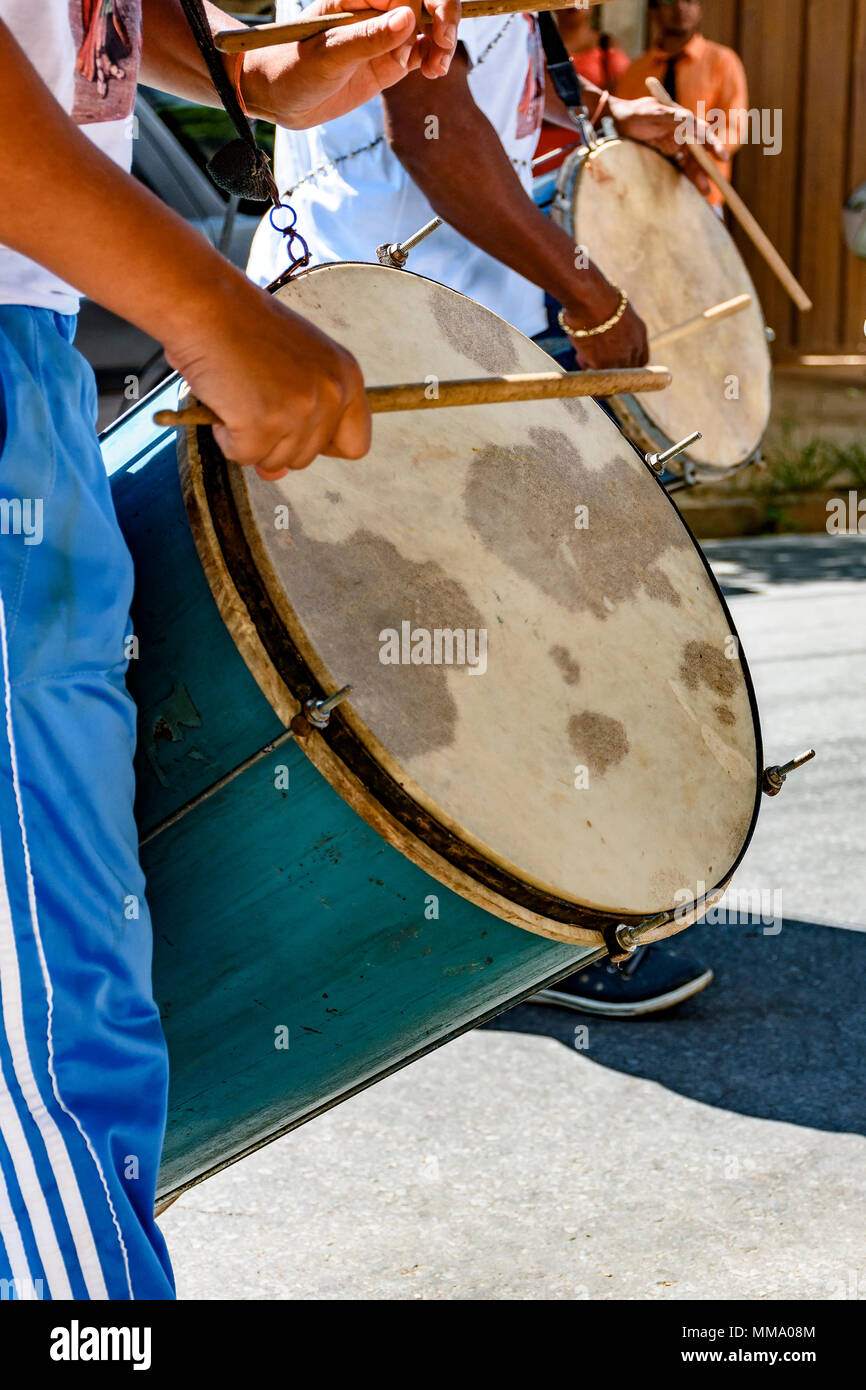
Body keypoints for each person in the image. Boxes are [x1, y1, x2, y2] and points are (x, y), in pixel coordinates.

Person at [0, 0, 458, 1301]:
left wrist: (265, 69)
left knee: (64, 987)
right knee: (45, 1021)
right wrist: (213, 311)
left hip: (29, 356)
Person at [248, 2, 721, 1017]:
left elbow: (496, 90)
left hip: (454, 325)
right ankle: (505, 933)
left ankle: (495, 924)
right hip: (378, 318)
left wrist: (604, 112)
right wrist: (585, 292)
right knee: (451, 662)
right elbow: (431, 123)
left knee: (487, 651)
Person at [617, 0, 749, 209]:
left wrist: (698, 157)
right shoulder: (636, 71)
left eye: (689, 0)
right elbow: (621, 133)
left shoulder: (722, 61)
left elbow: (733, 128)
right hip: (645, 197)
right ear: (653, 9)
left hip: (702, 197)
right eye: (670, 1)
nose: (680, 8)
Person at [534, 3, 631, 172]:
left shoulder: (607, 48)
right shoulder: (531, 45)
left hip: (587, 160)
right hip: (535, 157)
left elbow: (622, 98)